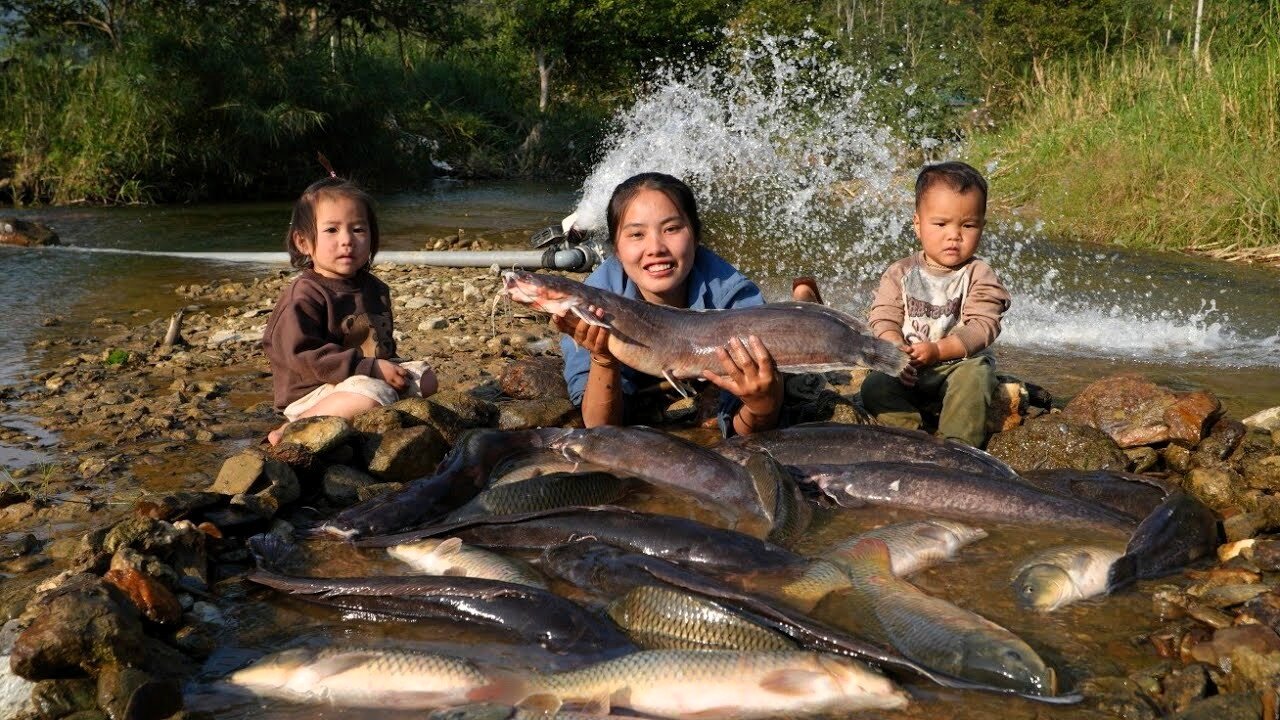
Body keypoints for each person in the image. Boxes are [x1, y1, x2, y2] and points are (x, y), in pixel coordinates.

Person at [557, 172, 784, 437]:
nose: (656, 248)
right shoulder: (591, 302)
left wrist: (762, 405)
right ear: (616, 250)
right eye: (636, 234)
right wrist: (603, 359)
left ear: (696, 236)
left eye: (672, 229)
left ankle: (805, 295)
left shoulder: (734, 297)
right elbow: (600, 428)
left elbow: (746, 433)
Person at [263, 176, 438, 445]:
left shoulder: (375, 288)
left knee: (426, 379)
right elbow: (306, 356)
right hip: (315, 390)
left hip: (364, 375)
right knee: (367, 397)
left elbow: (380, 343)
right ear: (303, 242)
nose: (347, 240)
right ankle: (293, 429)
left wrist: (389, 367)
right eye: (332, 230)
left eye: (358, 229)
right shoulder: (304, 295)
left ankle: (375, 411)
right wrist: (369, 368)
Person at [859, 161, 1011, 448]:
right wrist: (894, 347)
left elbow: (984, 326)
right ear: (918, 225)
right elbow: (883, 316)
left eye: (968, 225)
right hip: (910, 368)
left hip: (959, 364)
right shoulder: (900, 272)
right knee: (874, 387)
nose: (954, 235)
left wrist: (939, 350)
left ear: (982, 227)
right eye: (941, 224)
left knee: (976, 377)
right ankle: (915, 438)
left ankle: (958, 446)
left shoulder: (979, 274)